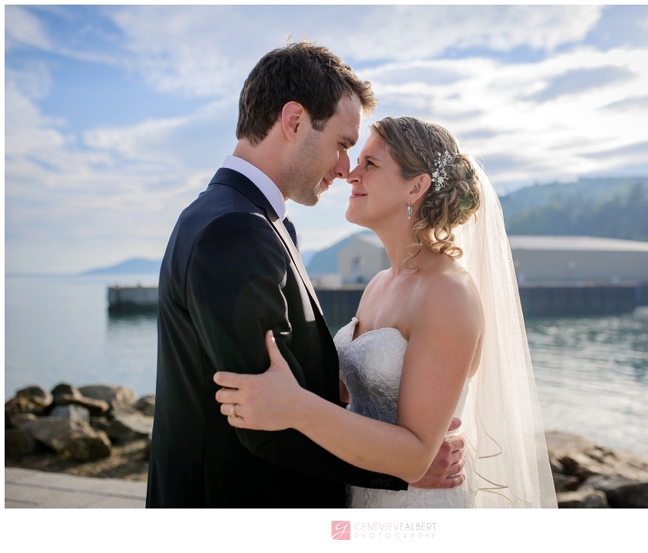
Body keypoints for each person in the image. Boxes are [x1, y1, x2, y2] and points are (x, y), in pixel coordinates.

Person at [146, 44, 464, 508]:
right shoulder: (234, 230)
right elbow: (263, 417)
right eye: (342, 144)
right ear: (293, 121)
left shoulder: (239, 218)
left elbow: (293, 392)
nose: (345, 169)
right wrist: (402, 466)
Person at [214, 116, 558, 508]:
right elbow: (352, 402)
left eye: (370, 165)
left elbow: (415, 456)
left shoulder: (448, 293)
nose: (351, 174)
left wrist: (294, 406)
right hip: (358, 496)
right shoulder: (378, 285)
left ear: (416, 186)